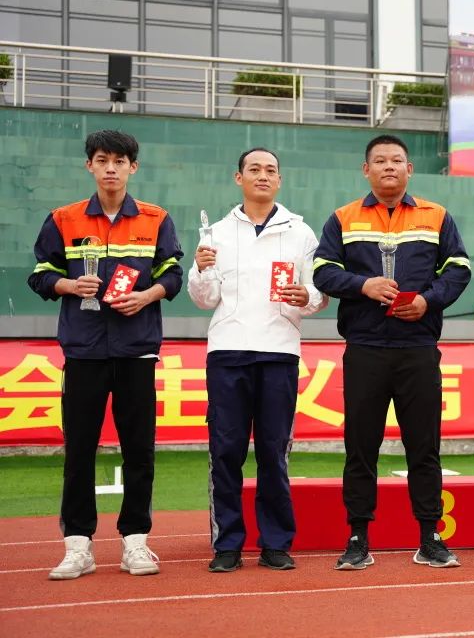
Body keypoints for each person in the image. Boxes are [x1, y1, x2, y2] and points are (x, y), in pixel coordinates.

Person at [28, 129, 184, 580]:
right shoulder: (64, 219)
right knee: (79, 450)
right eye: (102, 160)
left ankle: (136, 542)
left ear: (133, 167)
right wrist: (69, 284)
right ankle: (78, 546)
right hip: (84, 351)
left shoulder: (156, 218)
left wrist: (147, 295)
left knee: (139, 451)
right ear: (90, 166)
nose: (111, 168)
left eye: (119, 161)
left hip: (136, 351)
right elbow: (40, 275)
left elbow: (172, 273)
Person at [314, 134, 471, 570]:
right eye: (380, 160)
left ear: (409, 169)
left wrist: (427, 301)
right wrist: (362, 285)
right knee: (360, 446)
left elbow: (458, 269)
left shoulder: (436, 216)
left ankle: (430, 536)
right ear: (366, 170)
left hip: (417, 347)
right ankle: (358, 537)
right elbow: (323, 270)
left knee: (424, 446)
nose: (389, 167)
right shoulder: (343, 218)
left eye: (397, 160)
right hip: (365, 348)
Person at [188, 147, 328, 573]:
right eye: (254, 169)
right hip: (227, 351)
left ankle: (275, 543)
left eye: (270, 170)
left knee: (273, 452)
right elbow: (204, 298)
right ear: (239, 178)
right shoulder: (215, 233)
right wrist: (201, 269)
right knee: (225, 450)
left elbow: (317, 294)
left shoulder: (301, 233)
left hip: (279, 352)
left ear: (279, 180)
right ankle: (227, 544)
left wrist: (307, 297)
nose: (262, 176)